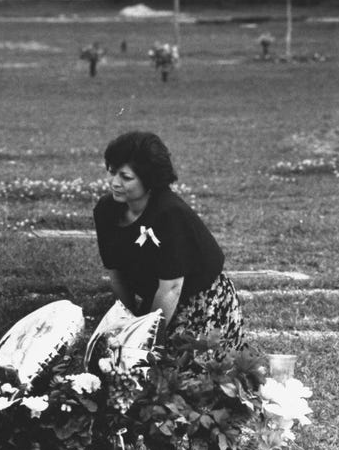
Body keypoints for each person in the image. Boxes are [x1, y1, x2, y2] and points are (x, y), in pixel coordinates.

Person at [92, 131, 243, 350]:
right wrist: (128, 322)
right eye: (112, 172)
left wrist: (147, 340)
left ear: (148, 180)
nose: (114, 182)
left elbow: (171, 288)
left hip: (200, 301)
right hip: (156, 298)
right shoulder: (106, 211)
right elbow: (116, 273)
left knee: (172, 367)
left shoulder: (170, 214)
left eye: (125, 177)